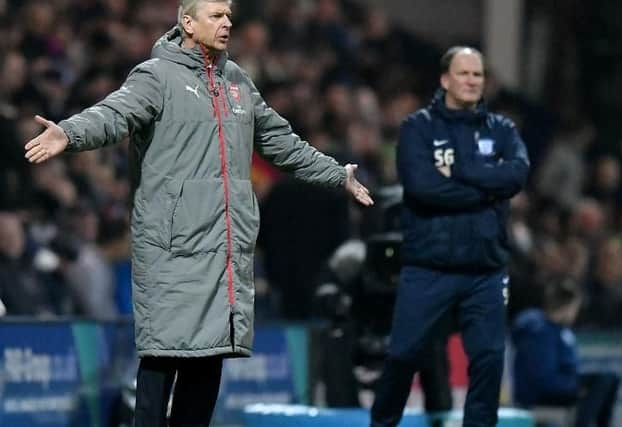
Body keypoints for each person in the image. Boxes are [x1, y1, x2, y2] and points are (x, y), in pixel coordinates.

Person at [24, 1, 373, 426]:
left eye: (229, 15)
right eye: (216, 15)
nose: (227, 23)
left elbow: (283, 142)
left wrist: (337, 175)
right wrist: (70, 132)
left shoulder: (238, 83)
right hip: (172, 247)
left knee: (207, 361)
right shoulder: (156, 76)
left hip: (223, 248)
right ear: (187, 23)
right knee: (161, 360)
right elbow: (114, 114)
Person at [370, 46, 530, 427]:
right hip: (428, 267)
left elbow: (517, 175)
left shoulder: (503, 130)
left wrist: (461, 174)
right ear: (445, 79)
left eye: (478, 74)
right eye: (464, 73)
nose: (472, 81)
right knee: (402, 356)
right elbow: (423, 188)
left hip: (485, 271)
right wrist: (487, 189)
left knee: (489, 360)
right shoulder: (417, 128)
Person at [512, 278, 620, 427]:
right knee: (602, 381)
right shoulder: (538, 331)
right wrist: (574, 387)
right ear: (567, 306)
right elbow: (542, 377)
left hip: (560, 383)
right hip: (539, 392)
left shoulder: (559, 330)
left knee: (610, 379)